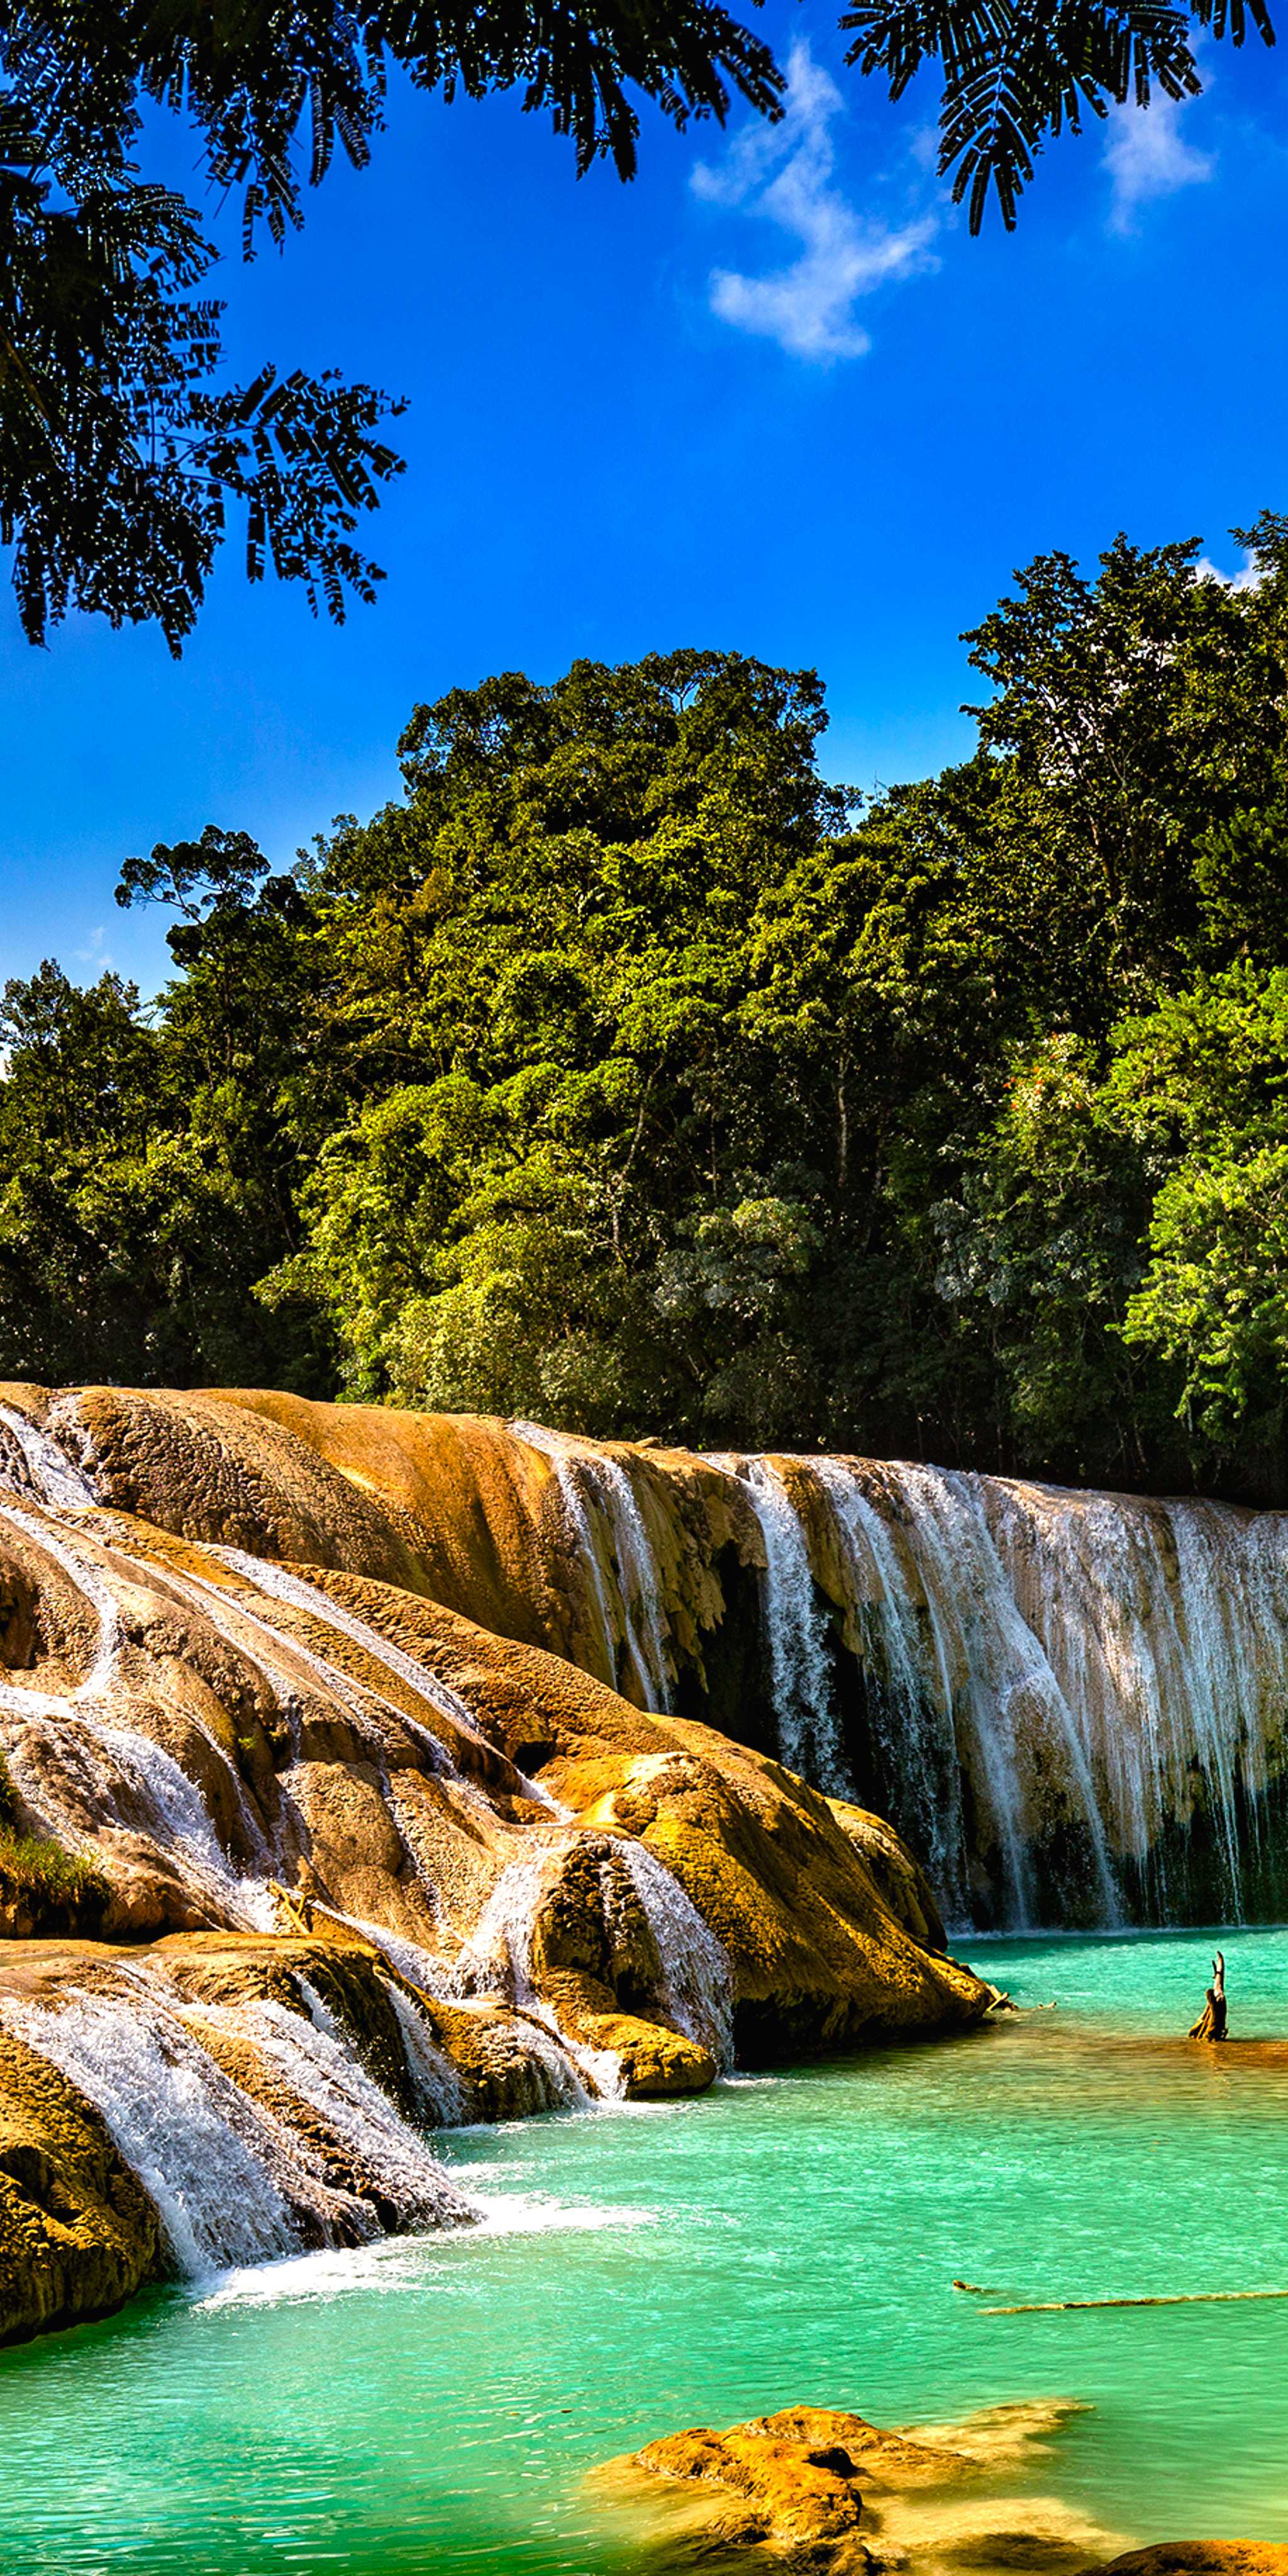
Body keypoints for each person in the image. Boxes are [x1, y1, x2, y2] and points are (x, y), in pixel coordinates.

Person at [1188, 1950, 1227, 2042]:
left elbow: (1218, 1987)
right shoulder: (1215, 1997)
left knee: (1217, 1987)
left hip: (1213, 2030)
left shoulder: (1217, 1997)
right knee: (1216, 1988)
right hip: (1212, 2032)